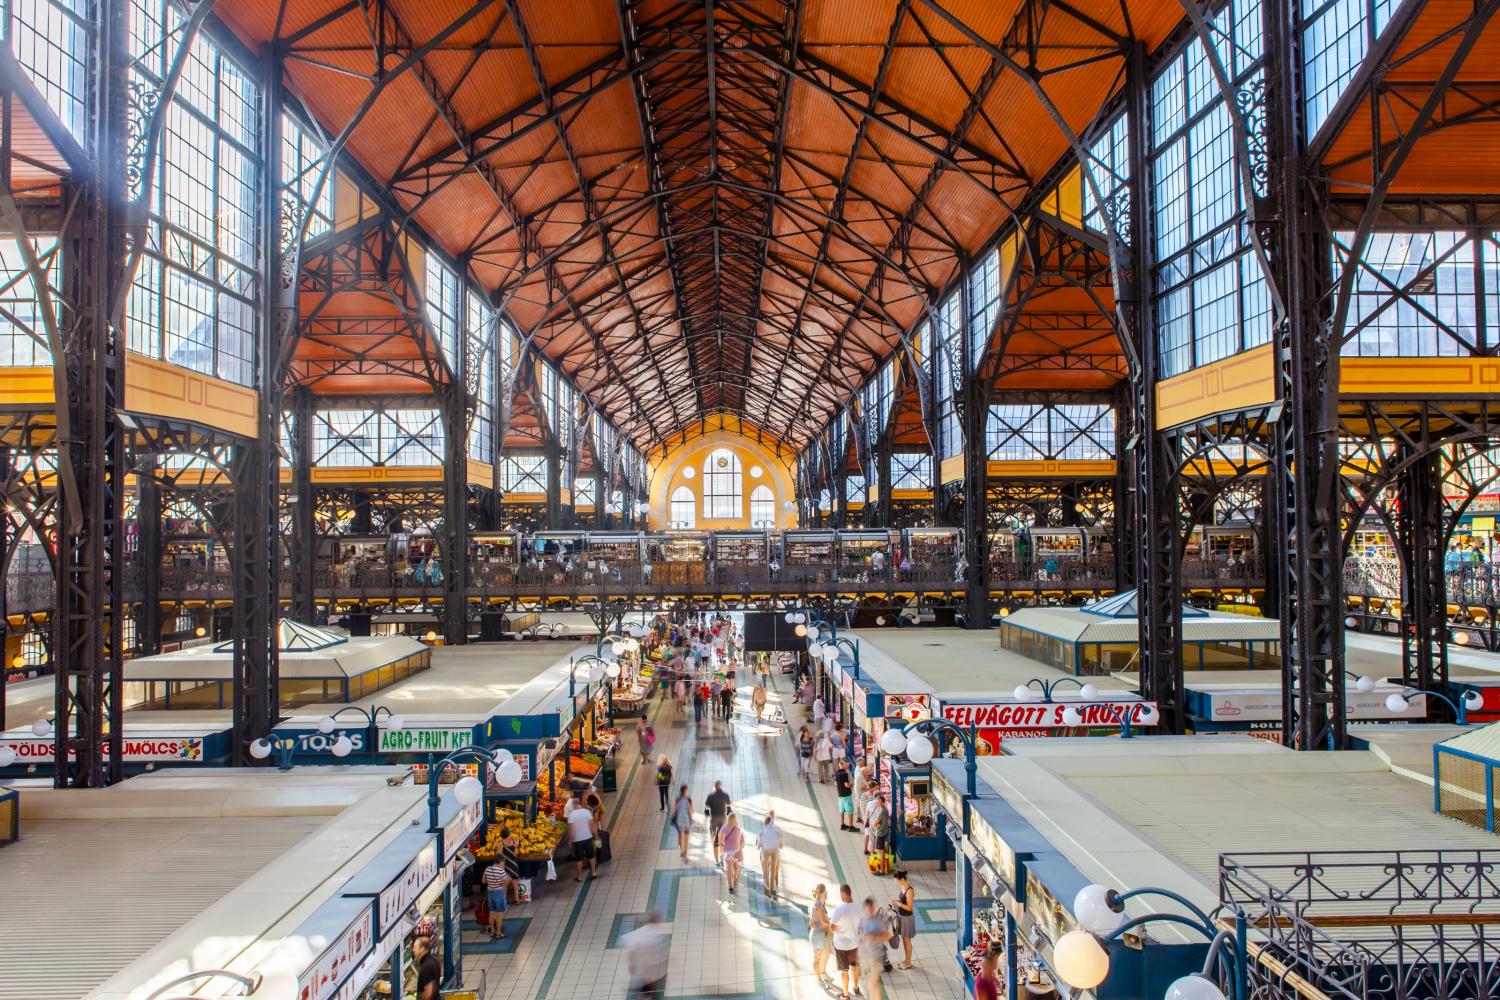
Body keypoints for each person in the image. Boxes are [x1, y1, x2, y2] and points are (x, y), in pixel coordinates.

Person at [623, 910, 670, 999]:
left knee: (646, 988)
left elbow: (630, 949)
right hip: (651, 972)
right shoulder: (656, 935)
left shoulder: (639, 933)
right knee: (649, 990)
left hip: (645, 971)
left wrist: (631, 964)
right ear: (658, 921)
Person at [830, 884, 862, 1000]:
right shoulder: (858, 907)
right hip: (854, 944)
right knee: (854, 967)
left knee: (844, 971)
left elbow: (832, 928)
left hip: (841, 946)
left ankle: (846, 995)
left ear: (843, 894)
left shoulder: (839, 910)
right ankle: (856, 987)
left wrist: (839, 928)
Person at [859, 897, 888, 1000]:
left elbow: (887, 935)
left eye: (871, 908)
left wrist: (874, 938)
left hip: (877, 956)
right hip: (867, 956)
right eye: (868, 909)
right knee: (872, 984)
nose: (870, 911)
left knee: (872, 983)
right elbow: (862, 936)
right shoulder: (863, 920)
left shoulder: (877, 922)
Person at [567, 797, 599, 881]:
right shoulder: (587, 812)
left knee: (579, 859)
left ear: (573, 805)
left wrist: (570, 840)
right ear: (579, 804)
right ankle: (593, 873)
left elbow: (570, 829)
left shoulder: (571, 815)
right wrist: (595, 836)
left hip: (577, 840)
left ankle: (580, 876)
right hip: (588, 837)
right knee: (591, 856)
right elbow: (592, 826)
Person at [809, 883, 834, 985]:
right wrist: (832, 924)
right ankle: (818, 979)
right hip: (818, 937)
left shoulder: (822, 903)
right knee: (817, 958)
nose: (827, 894)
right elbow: (823, 922)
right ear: (823, 893)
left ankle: (823, 973)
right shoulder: (817, 905)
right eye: (826, 892)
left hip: (822, 935)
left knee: (827, 953)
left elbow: (811, 923)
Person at [891, 870, 917, 969]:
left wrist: (897, 903)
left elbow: (909, 907)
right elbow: (903, 902)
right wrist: (896, 902)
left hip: (907, 918)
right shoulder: (902, 887)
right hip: (902, 917)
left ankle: (908, 962)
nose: (896, 883)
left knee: (907, 940)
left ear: (902, 879)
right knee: (904, 940)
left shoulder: (909, 890)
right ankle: (906, 960)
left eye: (897, 881)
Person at [705, 780, 732, 867]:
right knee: (722, 838)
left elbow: (706, 807)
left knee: (714, 841)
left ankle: (717, 861)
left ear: (714, 786)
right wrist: (728, 810)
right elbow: (728, 805)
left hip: (713, 819)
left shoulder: (711, 795)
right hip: (722, 818)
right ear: (720, 786)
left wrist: (707, 812)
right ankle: (722, 857)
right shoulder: (725, 794)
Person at [482, 857, 510, 939]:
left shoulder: (487, 869)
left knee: (491, 913)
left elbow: (483, 881)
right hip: (499, 893)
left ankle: (492, 931)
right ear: (501, 862)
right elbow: (506, 883)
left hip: (490, 893)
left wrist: (491, 882)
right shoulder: (501, 871)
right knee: (499, 915)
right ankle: (498, 932)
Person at [758, 810, 782, 897]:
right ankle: (774, 888)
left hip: (765, 855)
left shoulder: (763, 831)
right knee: (774, 871)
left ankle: (766, 889)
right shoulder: (777, 829)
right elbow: (780, 845)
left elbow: (758, 846)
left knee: (765, 872)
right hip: (775, 854)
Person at [720, 811, 744, 893]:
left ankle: (730, 887)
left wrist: (722, 845)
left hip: (728, 852)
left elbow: (720, 837)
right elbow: (740, 839)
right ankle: (736, 878)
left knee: (729, 870)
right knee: (735, 866)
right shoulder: (737, 828)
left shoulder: (724, 827)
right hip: (736, 852)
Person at [413, 934, 441, 1000]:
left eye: (415, 947)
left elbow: (428, 992)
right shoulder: (434, 960)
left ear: (422, 949)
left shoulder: (426, 967)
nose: (413, 950)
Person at [672, 785, 694, 861]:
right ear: (685, 791)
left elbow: (674, 809)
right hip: (687, 821)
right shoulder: (689, 799)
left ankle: (682, 850)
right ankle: (685, 853)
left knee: (680, 835)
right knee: (686, 838)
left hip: (679, 821)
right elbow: (691, 811)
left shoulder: (677, 799)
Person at [870, 794, 891, 864]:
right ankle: (883, 865)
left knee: (880, 850)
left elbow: (876, 823)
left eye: (878, 802)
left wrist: (875, 824)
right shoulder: (885, 809)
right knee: (882, 849)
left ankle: (881, 868)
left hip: (880, 833)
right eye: (877, 802)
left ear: (882, 803)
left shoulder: (881, 812)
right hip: (884, 831)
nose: (877, 804)